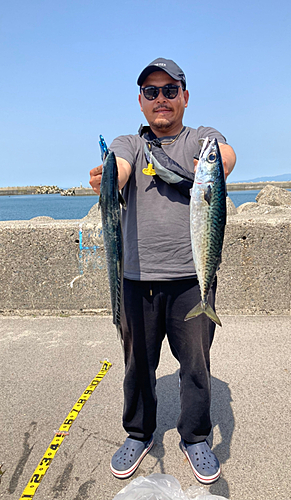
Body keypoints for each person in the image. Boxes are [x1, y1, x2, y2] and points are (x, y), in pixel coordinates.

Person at [89, 58, 236, 484]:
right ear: (140, 102)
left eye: (170, 90)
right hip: (136, 281)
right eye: (151, 92)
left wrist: (217, 163)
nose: (161, 99)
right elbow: (118, 165)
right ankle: (139, 432)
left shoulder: (201, 140)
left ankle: (195, 436)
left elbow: (224, 156)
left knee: (195, 364)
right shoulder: (131, 143)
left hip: (193, 282)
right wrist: (108, 176)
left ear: (185, 97)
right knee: (137, 364)